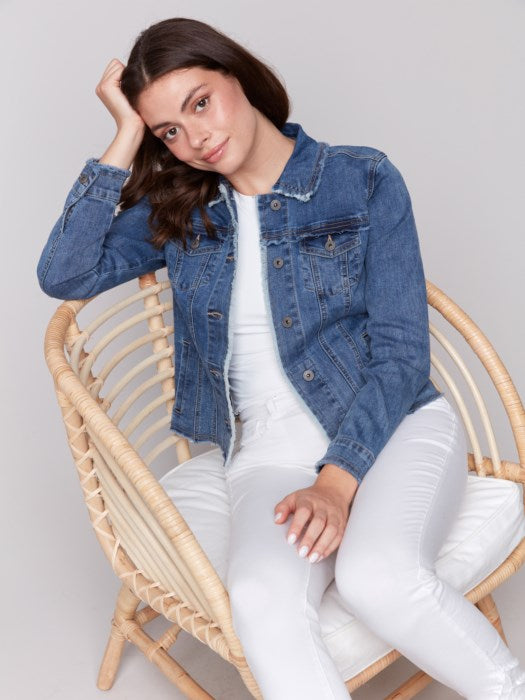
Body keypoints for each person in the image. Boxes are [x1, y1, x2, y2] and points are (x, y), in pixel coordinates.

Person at [36, 17, 525, 700]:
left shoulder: (360, 179)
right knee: (262, 601)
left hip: (389, 428)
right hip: (266, 455)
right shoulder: (184, 208)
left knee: (374, 576)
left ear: (238, 74)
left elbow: (402, 353)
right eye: (168, 130)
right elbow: (65, 274)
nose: (196, 138)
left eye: (199, 102)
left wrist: (336, 480)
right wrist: (123, 135)